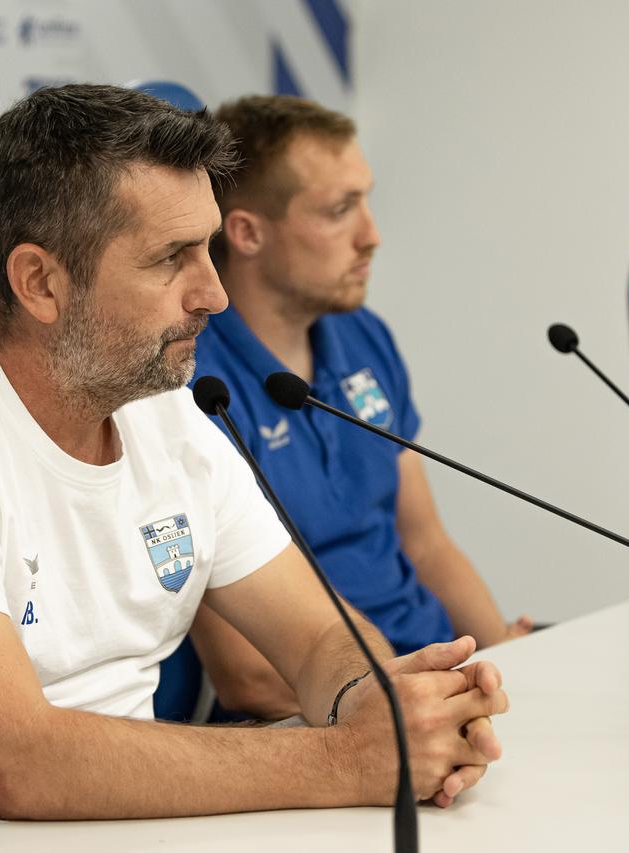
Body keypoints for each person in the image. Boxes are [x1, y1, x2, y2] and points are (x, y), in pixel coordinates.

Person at [0, 84, 508, 852]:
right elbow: (16, 762)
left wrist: (379, 708)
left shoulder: (173, 418)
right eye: (170, 259)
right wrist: (347, 758)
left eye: (209, 248)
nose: (214, 294)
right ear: (40, 282)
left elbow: (322, 636)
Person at [190, 95, 530, 721]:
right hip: (326, 718)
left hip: (433, 683)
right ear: (247, 233)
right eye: (339, 210)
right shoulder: (191, 385)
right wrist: (406, 709)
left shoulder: (362, 334)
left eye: (365, 202)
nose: (371, 235)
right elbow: (248, 676)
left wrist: (510, 664)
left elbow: (426, 544)